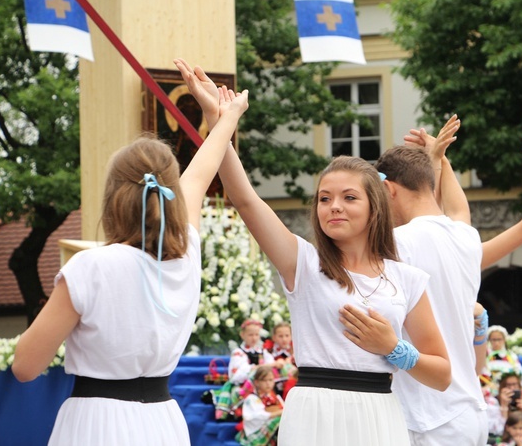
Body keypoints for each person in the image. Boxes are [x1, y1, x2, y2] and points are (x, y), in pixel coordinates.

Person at [176, 58, 451, 446]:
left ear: (376, 205)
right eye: (325, 198)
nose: (334, 206)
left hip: (379, 415)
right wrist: (219, 120)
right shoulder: (303, 262)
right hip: (313, 415)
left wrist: (394, 349)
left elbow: (441, 373)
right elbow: (246, 199)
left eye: (348, 197)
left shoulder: (406, 278)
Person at [11, 76, 249, 445]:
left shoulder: (91, 267)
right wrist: (226, 117)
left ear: (112, 197)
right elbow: (200, 176)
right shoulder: (187, 254)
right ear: (170, 195)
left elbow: (25, 367)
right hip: (163, 422)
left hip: (96, 421)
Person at [375, 118, 522, 445]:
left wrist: (438, 159)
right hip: (467, 412)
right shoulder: (465, 238)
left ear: (387, 188)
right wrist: (439, 158)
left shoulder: (392, 245)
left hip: (425, 416)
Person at [235, 365, 284, 446]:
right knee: (278, 420)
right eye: (264, 380)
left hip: (271, 433)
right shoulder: (252, 398)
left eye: (271, 380)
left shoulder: (275, 397)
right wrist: (278, 413)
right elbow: (258, 416)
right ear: (257, 382)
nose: (268, 383)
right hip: (255, 432)